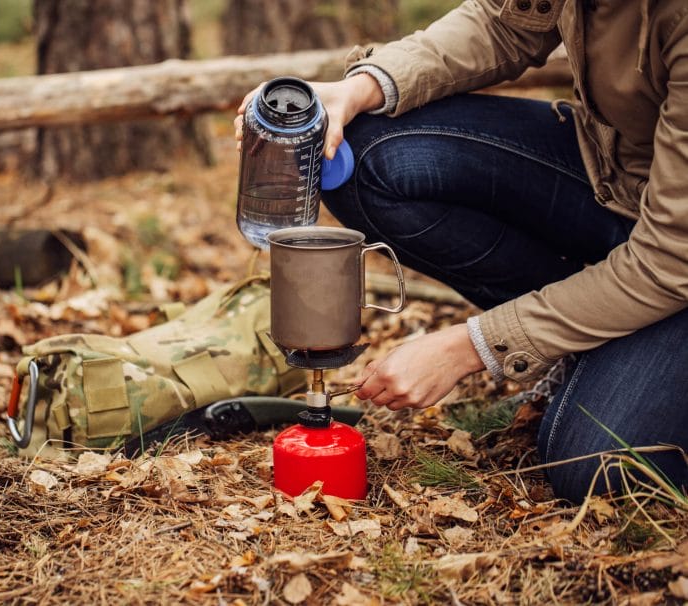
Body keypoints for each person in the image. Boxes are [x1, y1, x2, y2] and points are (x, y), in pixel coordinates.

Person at [235, 0, 688, 502]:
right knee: (363, 154)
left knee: (598, 469)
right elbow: (501, 23)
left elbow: (671, 259)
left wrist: (472, 347)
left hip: (675, 253)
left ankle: (612, 341)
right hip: (614, 175)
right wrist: (356, 89)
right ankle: (585, 336)